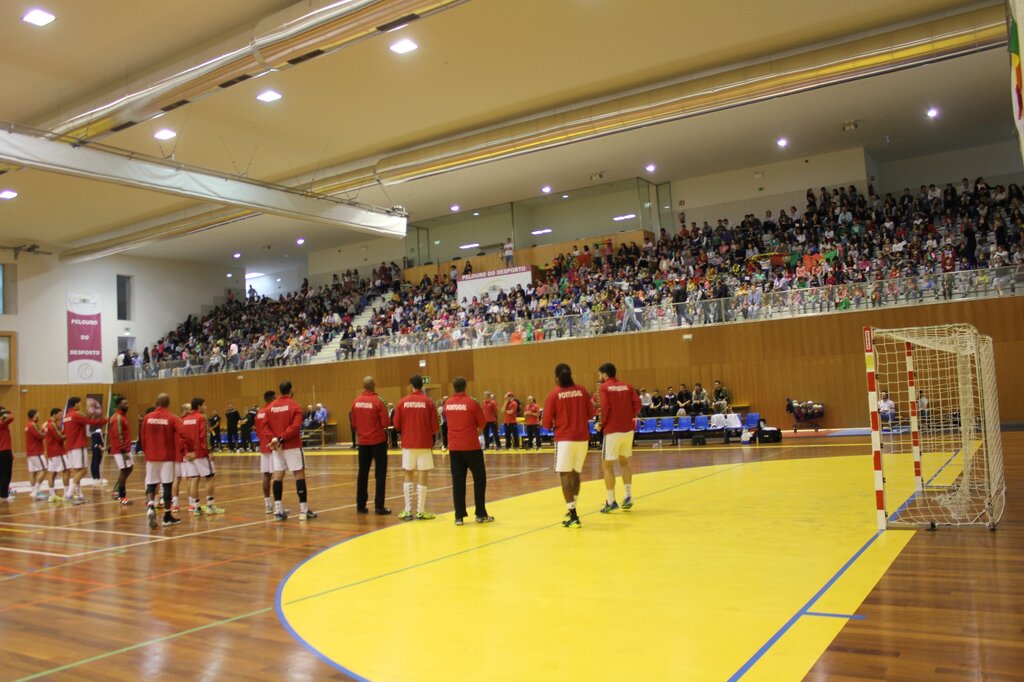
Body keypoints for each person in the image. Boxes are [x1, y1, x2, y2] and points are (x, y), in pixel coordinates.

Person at [542, 363, 594, 528]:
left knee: (565, 475)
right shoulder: (582, 390)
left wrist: (553, 424)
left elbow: (546, 422)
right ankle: (573, 508)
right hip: (582, 438)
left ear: (556, 377)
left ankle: (573, 514)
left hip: (564, 438)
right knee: (576, 473)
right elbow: (591, 413)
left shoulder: (554, 394)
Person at [445, 376, 494, 525]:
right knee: (479, 479)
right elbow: (482, 423)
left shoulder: (447, 404)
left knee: (458, 481)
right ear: (465, 386)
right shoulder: (472, 403)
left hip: (454, 448)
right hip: (471, 446)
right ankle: (480, 514)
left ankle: (458, 517)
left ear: (453, 387)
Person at [266, 381, 318, 521]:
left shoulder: (270, 407)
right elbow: (295, 427)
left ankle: (278, 511)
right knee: (299, 475)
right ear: (291, 389)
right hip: (292, 445)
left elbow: (266, 426)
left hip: (277, 447)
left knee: (278, 476)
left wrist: (274, 439)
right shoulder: (295, 406)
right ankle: (303, 511)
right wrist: (281, 438)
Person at [393, 374, 438, 521]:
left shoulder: (402, 402)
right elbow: (435, 427)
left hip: (408, 444)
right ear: (422, 386)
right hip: (424, 444)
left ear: (410, 386)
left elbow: (396, 425)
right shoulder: (428, 402)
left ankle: (407, 511)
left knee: (408, 475)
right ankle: (421, 511)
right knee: (423, 475)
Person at [597, 363, 641, 513]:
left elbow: (605, 408)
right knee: (624, 462)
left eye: (599, 375)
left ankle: (611, 502)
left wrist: (601, 424)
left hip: (612, 430)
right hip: (628, 429)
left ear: (604, 374)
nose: (599, 377)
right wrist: (629, 415)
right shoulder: (627, 386)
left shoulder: (604, 387)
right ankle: (628, 496)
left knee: (607, 466)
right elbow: (637, 404)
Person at [140, 393, 182, 528]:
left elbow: (142, 437)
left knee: (151, 483)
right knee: (167, 485)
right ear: (168, 403)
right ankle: (167, 516)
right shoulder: (171, 418)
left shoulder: (147, 418)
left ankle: (150, 506)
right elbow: (182, 433)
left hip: (151, 456)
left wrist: (146, 452)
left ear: (156, 402)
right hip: (166, 456)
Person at [351, 376, 391, 515]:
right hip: (378, 442)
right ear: (374, 385)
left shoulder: (356, 402)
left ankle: (360, 505)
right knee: (380, 474)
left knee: (362, 474)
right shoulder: (378, 402)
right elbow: (386, 423)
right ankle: (379, 506)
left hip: (363, 443)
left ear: (363, 386)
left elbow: (353, 423)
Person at [180, 398, 224, 516]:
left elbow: (182, 437)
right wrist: (209, 451)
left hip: (189, 455)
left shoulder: (184, 419)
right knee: (210, 477)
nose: (206, 407)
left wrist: (186, 452)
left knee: (194, 479)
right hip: (201, 453)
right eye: (204, 405)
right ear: (199, 406)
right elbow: (205, 436)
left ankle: (196, 507)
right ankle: (210, 505)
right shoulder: (202, 418)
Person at [62, 397, 107, 505]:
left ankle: (79, 495)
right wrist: (106, 420)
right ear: (75, 404)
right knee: (83, 470)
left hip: (70, 447)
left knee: (76, 472)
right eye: (79, 403)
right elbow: (90, 422)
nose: (81, 405)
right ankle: (69, 494)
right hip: (79, 446)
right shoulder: (76, 415)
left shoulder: (66, 416)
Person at [107, 398, 134, 505]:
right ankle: (122, 497)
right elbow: (117, 435)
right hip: (121, 450)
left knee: (129, 468)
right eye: (124, 404)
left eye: (127, 403)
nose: (127, 405)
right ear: (119, 405)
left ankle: (116, 491)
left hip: (125, 448)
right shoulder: (117, 418)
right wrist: (123, 450)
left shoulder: (122, 416)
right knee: (124, 470)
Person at [255, 390, 277, 514]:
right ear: (272, 398)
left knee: (267, 476)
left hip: (264, 447)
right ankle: (278, 506)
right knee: (277, 476)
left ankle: (268, 505)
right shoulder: (272, 411)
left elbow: (258, 432)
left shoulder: (259, 413)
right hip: (273, 446)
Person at [43, 408, 69, 504]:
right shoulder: (52, 424)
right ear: (53, 414)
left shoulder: (47, 424)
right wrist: (69, 434)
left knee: (52, 473)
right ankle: (66, 494)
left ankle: (52, 495)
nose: (61, 416)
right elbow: (60, 438)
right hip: (58, 452)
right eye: (59, 415)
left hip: (51, 452)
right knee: (66, 470)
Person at [24, 409, 48, 500]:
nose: (39, 416)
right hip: (36, 451)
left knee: (33, 472)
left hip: (30, 452)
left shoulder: (28, 424)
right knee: (44, 469)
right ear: (34, 415)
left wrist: (41, 428)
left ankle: (33, 490)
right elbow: (40, 436)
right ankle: (36, 491)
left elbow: (36, 433)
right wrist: (45, 429)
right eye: (38, 414)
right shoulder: (32, 425)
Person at [0, 407, 13, 502]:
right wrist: (6, 412)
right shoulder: (2, 423)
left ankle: (2, 494)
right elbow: (12, 417)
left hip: (4, 451)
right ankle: (4, 495)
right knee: (6, 474)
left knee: (2, 473)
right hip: (4, 452)